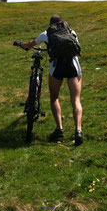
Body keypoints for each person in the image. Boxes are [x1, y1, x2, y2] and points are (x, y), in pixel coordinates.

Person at [18, 15, 83, 145]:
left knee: (54, 97)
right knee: (75, 100)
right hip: (73, 66)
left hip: (57, 67)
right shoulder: (71, 31)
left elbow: (30, 45)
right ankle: (78, 131)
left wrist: (21, 44)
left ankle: (59, 129)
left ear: (50, 24)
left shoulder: (46, 33)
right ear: (62, 22)